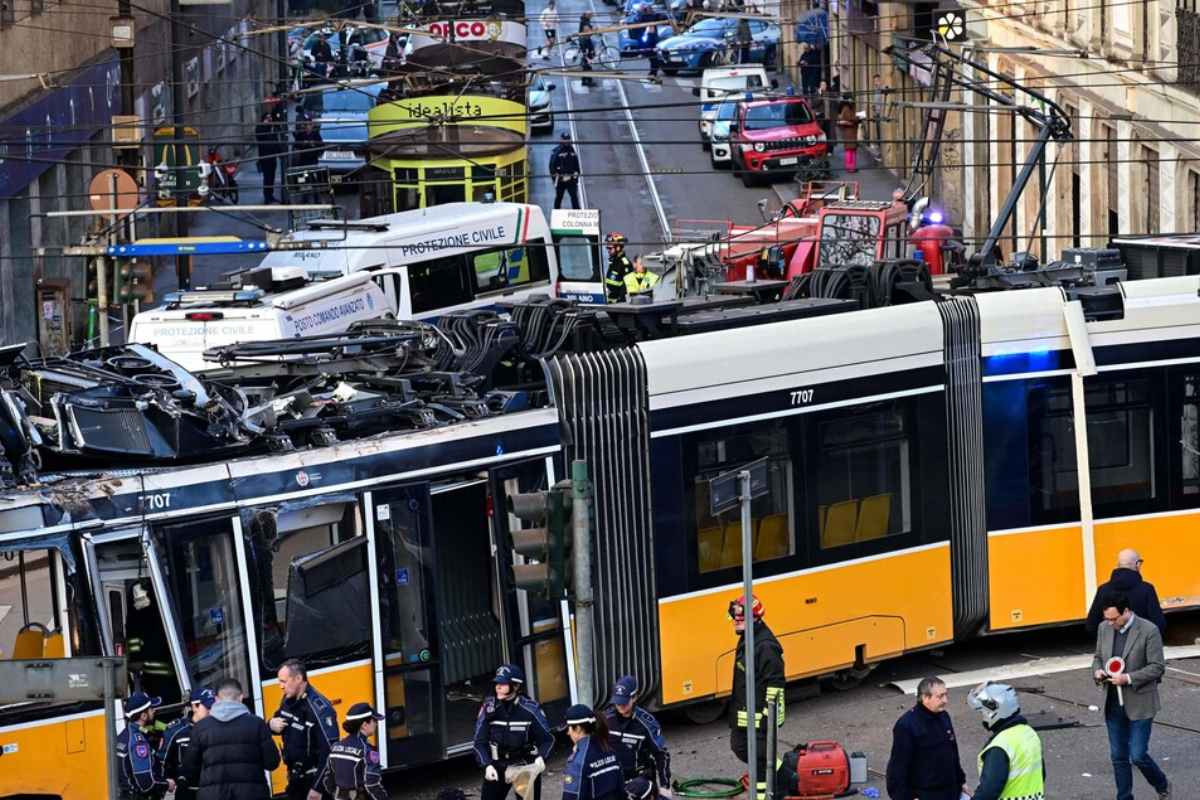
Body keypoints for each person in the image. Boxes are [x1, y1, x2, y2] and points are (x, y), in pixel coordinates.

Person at [1092, 592, 1171, 800]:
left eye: (1114, 619)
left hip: (1140, 702)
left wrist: (1127, 678)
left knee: (1137, 755)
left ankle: (1162, 784)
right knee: (1118, 757)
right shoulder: (1104, 628)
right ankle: (1124, 797)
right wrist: (1097, 671)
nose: (1110, 623)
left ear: (1126, 611)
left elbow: (1157, 667)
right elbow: (1098, 657)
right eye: (1107, 619)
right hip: (1112, 703)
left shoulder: (1149, 630)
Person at [184, 678, 281, 800]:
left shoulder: (200, 728)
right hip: (252, 794)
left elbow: (189, 768)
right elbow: (272, 762)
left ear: (216, 699)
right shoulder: (257, 724)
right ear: (241, 697)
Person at [728, 594, 785, 799]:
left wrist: (769, 717)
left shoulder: (765, 646)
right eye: (734, 618)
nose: (735, 621)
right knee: (742, 748)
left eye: (740, 618)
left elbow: (775, 684)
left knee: (760, 757)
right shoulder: (748, 638)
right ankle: (783, 776)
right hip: (745, 713)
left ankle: (771, 790)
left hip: (760, 717)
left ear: (755, 618)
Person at [473, 664, 555, 800]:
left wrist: (541, 757)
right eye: (497, 683)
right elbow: (479, 743)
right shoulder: (489, 708)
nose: (498, 687)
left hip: (525, 766)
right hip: (497, 766)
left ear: (516, 686)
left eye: (503, 684)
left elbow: (547, 740)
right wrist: (487, 765)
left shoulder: (530, 710)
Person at [885, 677, 966, 800]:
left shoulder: (944, 716)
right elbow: (898, 768)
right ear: (925, 698)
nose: (945, 700)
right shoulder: (907, 725)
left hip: (951, 791)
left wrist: (961, 781)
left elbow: (952, 752)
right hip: (926, 794)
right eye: (940, 696)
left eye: (946, 695)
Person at [269, 659, 340, 800]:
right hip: (295, 779)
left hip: (314, 781)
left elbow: (330, 751)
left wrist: (317, 788)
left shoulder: (320, 708)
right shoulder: (287, 700)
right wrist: (270, 725)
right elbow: (278, 722)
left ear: (298, 678)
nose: (280, 686)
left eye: (283, 681)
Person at [965, 683, 1045, 800]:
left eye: (983, 712)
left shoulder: (999, 746)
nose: (983, 717)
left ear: (993, 712)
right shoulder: (1029, 733)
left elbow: (988, 791)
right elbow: (1041, 774)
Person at [604, 676, 671, 794]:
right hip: (613, 780)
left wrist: (665, 786)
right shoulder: (606, 719)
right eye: (617, 702)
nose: (620, 705)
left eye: (624, 701)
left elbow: (661, 754)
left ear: (635, 697)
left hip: (640, 782)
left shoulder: (648, 724)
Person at [1086, 549, 1167, 636]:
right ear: (1138, 564)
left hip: (1111, 642)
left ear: (1118, 565)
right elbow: (1159, 624)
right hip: (1140, 641)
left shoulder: (1103, 590)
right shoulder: (1146, 589)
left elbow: (1091, 625)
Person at [319, 702, 387, 800]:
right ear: (364, 725)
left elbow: (327, 780)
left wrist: (337, 794)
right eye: (374, 720)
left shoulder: (336, 747)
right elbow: (372, 784)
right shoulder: (368, 751)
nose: (376, 723)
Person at [159, 688, 215, 800]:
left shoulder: (219, 727)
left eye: (214, 707)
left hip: (213, 791)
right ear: (194, 707)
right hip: (186, 792)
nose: (211, 711)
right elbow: (162, 762)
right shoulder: (176, 730)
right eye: (208, 707)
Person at [117, 691, 172, 799]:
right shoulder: (138, 741)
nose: (154, 710)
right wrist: (167, 784)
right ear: (143, 715)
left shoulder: (124, 735)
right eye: (151, 708)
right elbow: (146, 783)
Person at [563, 704, 624, 800]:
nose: (568, 733)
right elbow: (621, 790)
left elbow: (571, 796)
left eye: (569, 728)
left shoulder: (577, 761)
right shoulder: (609, 749)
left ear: (578, 728)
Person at [255, 110, 284, 203]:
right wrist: (266, 126)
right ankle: (267, 197)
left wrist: (280, 154)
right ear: (263, 120)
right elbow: (259, 136)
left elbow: (276, 142)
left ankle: (270, 195)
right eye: (267, 118)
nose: (270, 119)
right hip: (265, 158)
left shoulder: (273, 129)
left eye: (270, 117)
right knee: (267, 178)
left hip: (273, 158)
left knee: (272, 177)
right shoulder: (260, 128)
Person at [549, 132, 581, 209]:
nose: (567, 141)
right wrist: (556, 179)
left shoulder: (572, 150)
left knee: (574, 197)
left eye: (568, 140)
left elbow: (576, 164)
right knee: (559, 197)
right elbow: (552, 167)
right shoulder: (556, 151)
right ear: (561, 140)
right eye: (565, 140)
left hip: (571, 180)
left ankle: (577, 213)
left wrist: (576, 174)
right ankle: (556, 213)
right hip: (561, 180)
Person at [604, 232, 635, 303]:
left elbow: (627, 286)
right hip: (610, 303)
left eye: (610, 248)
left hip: (619, 304)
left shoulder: (625, 263)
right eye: (607, 248)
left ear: (618, 248)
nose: (608, 250)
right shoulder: (613, 262)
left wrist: (620, 302)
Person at [836, 98, 860, 173]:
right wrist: (858, 118)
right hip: (849, 132)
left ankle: (850, 167)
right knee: (850, 150)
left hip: (849, 132)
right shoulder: (847, 108)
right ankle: (851, 167)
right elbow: (850, 118)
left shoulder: (846, 108)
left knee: (850, 149)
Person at [870, 74, 888, 152]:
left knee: (881, 132)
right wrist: (873, 106)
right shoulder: (875, 90)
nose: (876, 82)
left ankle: (881, 149)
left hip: (881, 113)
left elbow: (884, 99)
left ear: (880, 80)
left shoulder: (882, 90)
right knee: (878, 132)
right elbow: (875, 101)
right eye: (875, 81)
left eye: (877, 80)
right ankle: (879, 148)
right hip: (877, 113)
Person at [579, 12, 596, 86]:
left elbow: (590, 32)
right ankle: (588, 81)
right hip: (586, 47)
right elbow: (584, 52)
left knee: (586, 66)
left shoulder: (586, 23)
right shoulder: (583, 40)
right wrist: (588, 59)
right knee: (587, 66)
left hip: (588, 44)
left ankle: (584, 80)